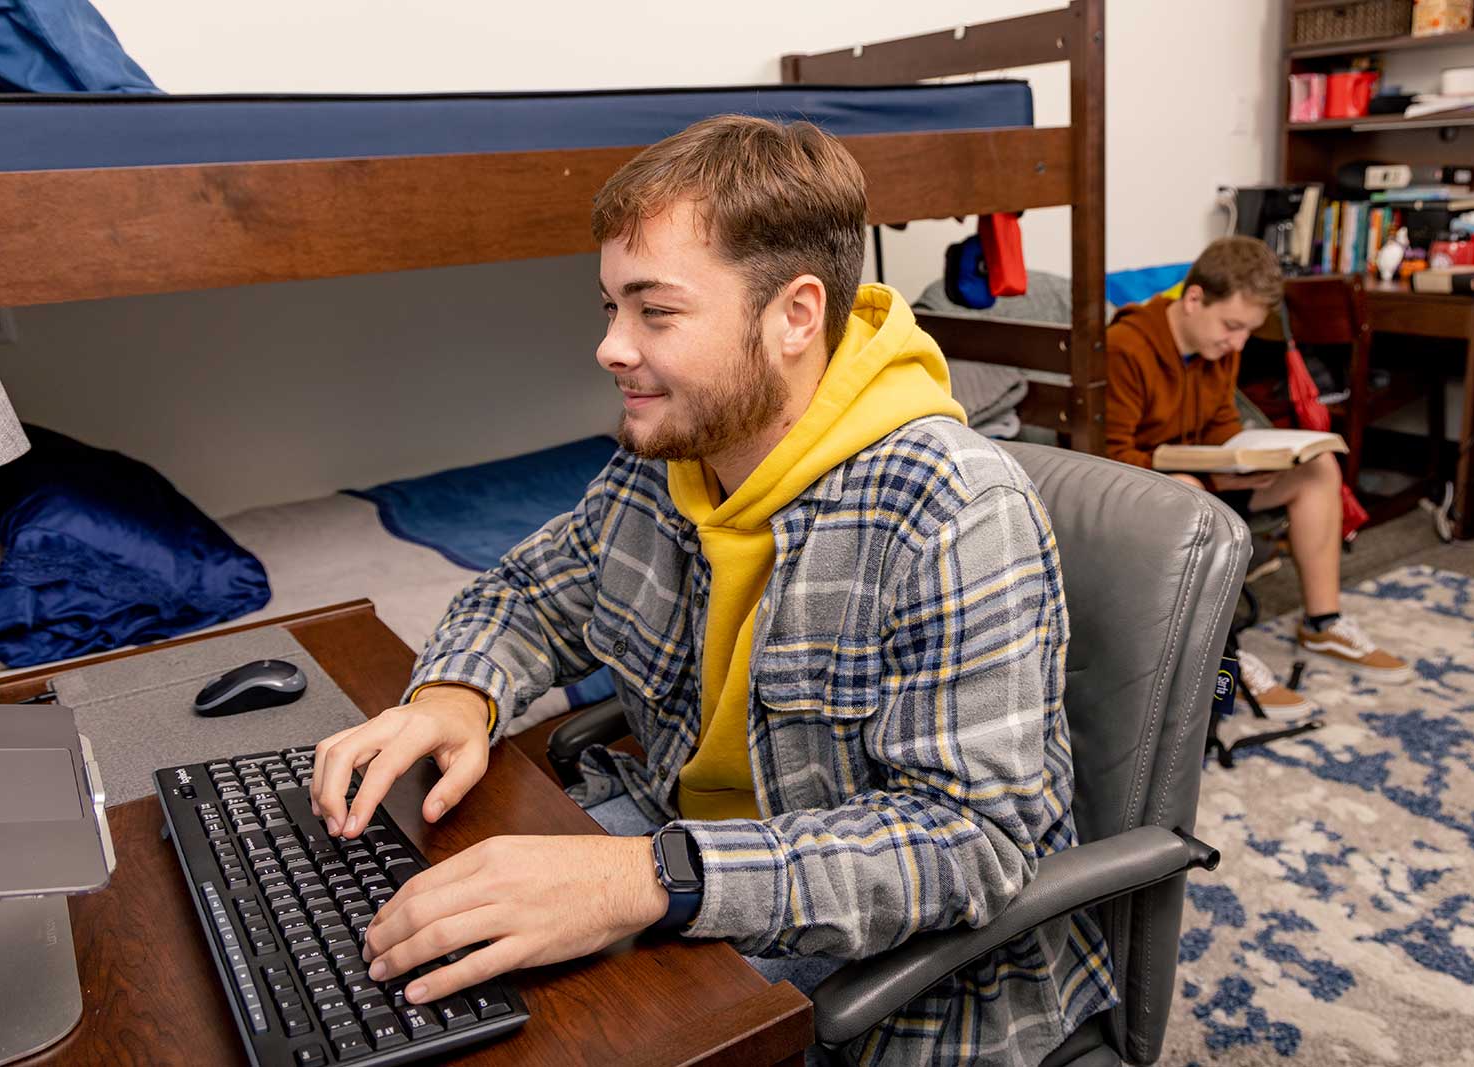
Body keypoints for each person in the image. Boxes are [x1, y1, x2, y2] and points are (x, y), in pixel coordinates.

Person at [309, 114, 1114, 1065]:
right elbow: (532, 590)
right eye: (609, 308)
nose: (612, 347)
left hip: (882, 968)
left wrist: (647, 878)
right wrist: (457, 692)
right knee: (377, 950)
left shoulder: (953, 509)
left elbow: (970, 843)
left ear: (794, 316)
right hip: (670, 854)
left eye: (655, 311)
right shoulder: (672, 456)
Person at [1104, 236, 1412, 719]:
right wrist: (1200, 474)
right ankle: (1218, 656)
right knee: (1190, 494)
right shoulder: (1125, 347)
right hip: (1143, 492)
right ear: (1193, 299)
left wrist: (1246, 460)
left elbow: (1221, 425)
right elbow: (1108, 458)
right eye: (1232, 326)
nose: (1238, 343)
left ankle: (1322, 621)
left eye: (1248, 330)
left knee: (1318, 470)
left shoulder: (1219, 347)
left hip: (1205, 483)